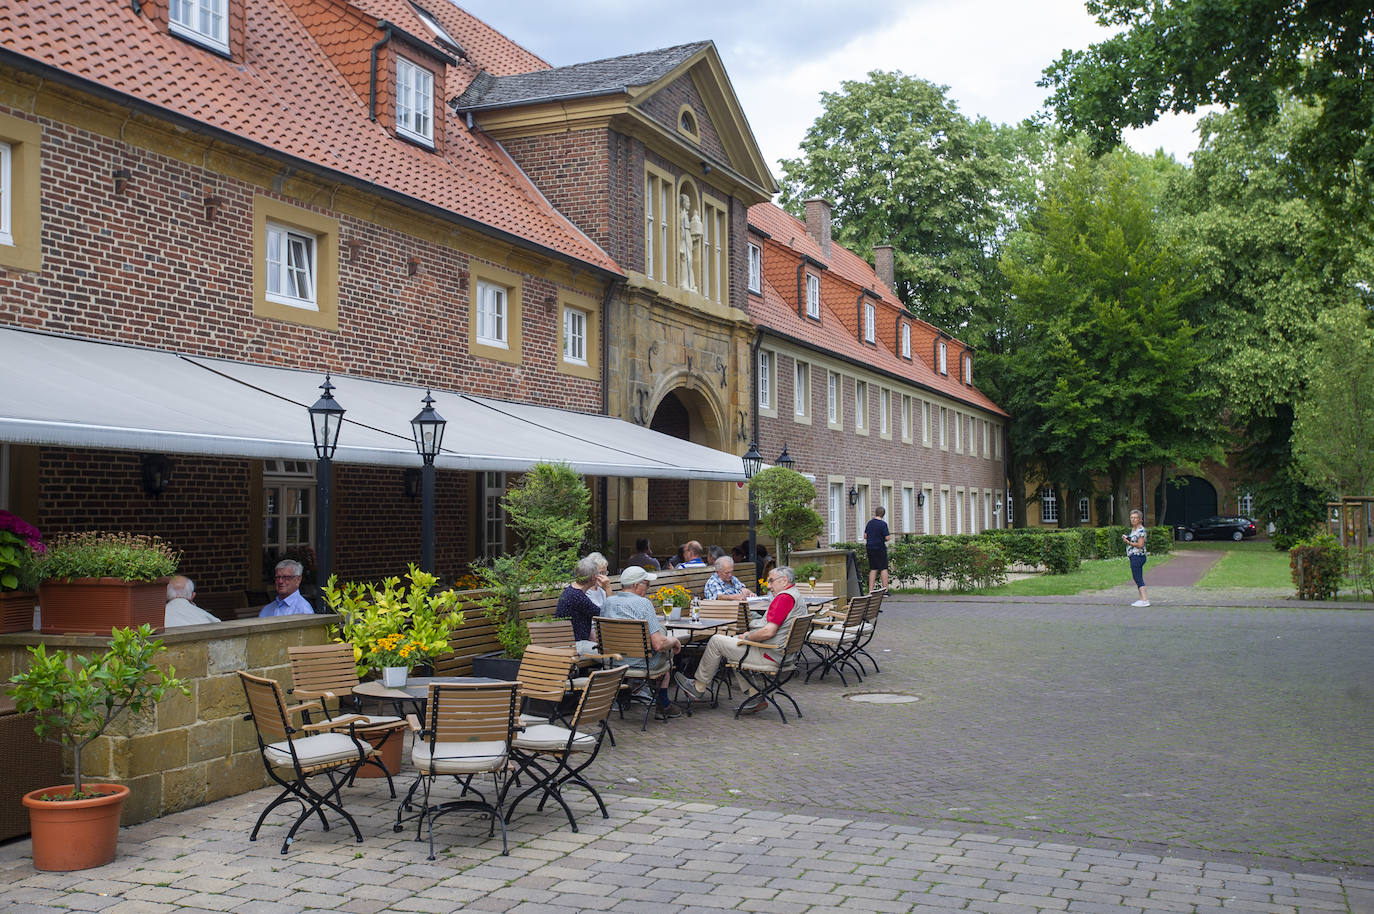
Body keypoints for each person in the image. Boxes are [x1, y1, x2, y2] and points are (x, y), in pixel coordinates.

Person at [675, 565, 807, 714]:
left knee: (716, 640)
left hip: (770, 654)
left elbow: (768, 632)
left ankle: (698, 687)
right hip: (785, 655)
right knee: (732, 647)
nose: (769, 586)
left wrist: (747, 636)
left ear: (784, 581)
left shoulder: (784, 598)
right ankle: (754, 695)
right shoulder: (796, 596)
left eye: (771, 581)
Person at [600, 565, 684, 718]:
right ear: (636, 585)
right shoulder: (644, 604)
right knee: (668, 654)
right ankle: (663, 704)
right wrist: (674, 641)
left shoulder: (608, 602)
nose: (649, 587)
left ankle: (625, 695)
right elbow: (658, 645)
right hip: (641, 663)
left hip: (613, 661)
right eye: (647, 584)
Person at [556, 555, 608, 648]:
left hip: (573, 642)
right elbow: (604, 615)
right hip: (574, 645)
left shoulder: (571, 591)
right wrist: (608, 589)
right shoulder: (578, 597)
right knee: (612, 655)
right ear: (593, 578)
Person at [1125, 509, 1150, 607]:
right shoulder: (1134, 529)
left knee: (1138, 577)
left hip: (1138, 556)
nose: (1133, 520)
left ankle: (1145, 599)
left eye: (1135, 518)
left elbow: (1140, 544)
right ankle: (1141, 599)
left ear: (1140, 519)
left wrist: (1128, 543)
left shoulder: (1140, 530)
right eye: (1131, 518)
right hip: (1133, 555)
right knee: (1137, 577)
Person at [865, 506, 892, 592]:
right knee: (883, 568)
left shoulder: (869, 523)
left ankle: (870, 590)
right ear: (883, 514)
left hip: (870, 548)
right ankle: (885, 590)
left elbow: (865, 536)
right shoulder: (883, 524)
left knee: (873, 568)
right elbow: (887, 537)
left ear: (875, 513)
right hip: (880, 548)